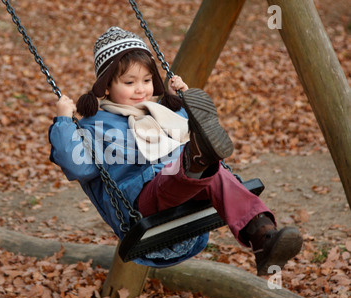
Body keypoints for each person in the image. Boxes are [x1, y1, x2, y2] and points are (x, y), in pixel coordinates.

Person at [48, 27, 303, 274]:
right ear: (106, 87)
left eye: (147, 80)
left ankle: (263, 237)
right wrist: (63, 122)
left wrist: (178, 104)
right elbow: (77, 166)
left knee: (215, 174)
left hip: (182, 194)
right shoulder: (96, 127)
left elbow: (175, 135)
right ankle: (197, 160)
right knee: (189, 167)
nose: (141, 89)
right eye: (130, 82)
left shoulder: (159, 114)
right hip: (140, 205)